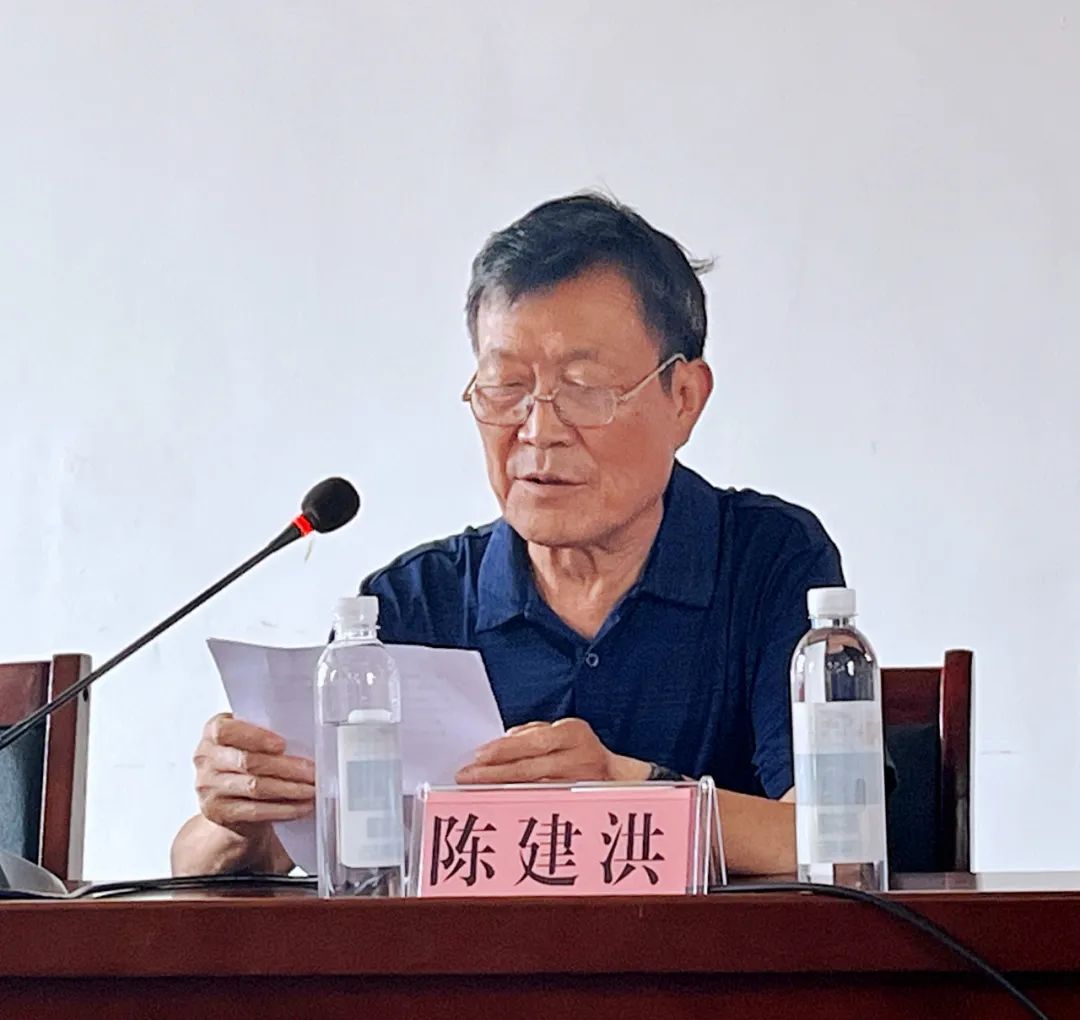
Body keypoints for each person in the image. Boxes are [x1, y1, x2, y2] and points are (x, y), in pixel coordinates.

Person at [171, 193, 844, 878]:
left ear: (684, 398)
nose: (539, 430)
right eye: (505, 387)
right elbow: (219, 863)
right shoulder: (415, 604)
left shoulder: (770, 560)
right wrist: (239, 813)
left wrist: (624, 789)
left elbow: (836, 843)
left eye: (584, 388)